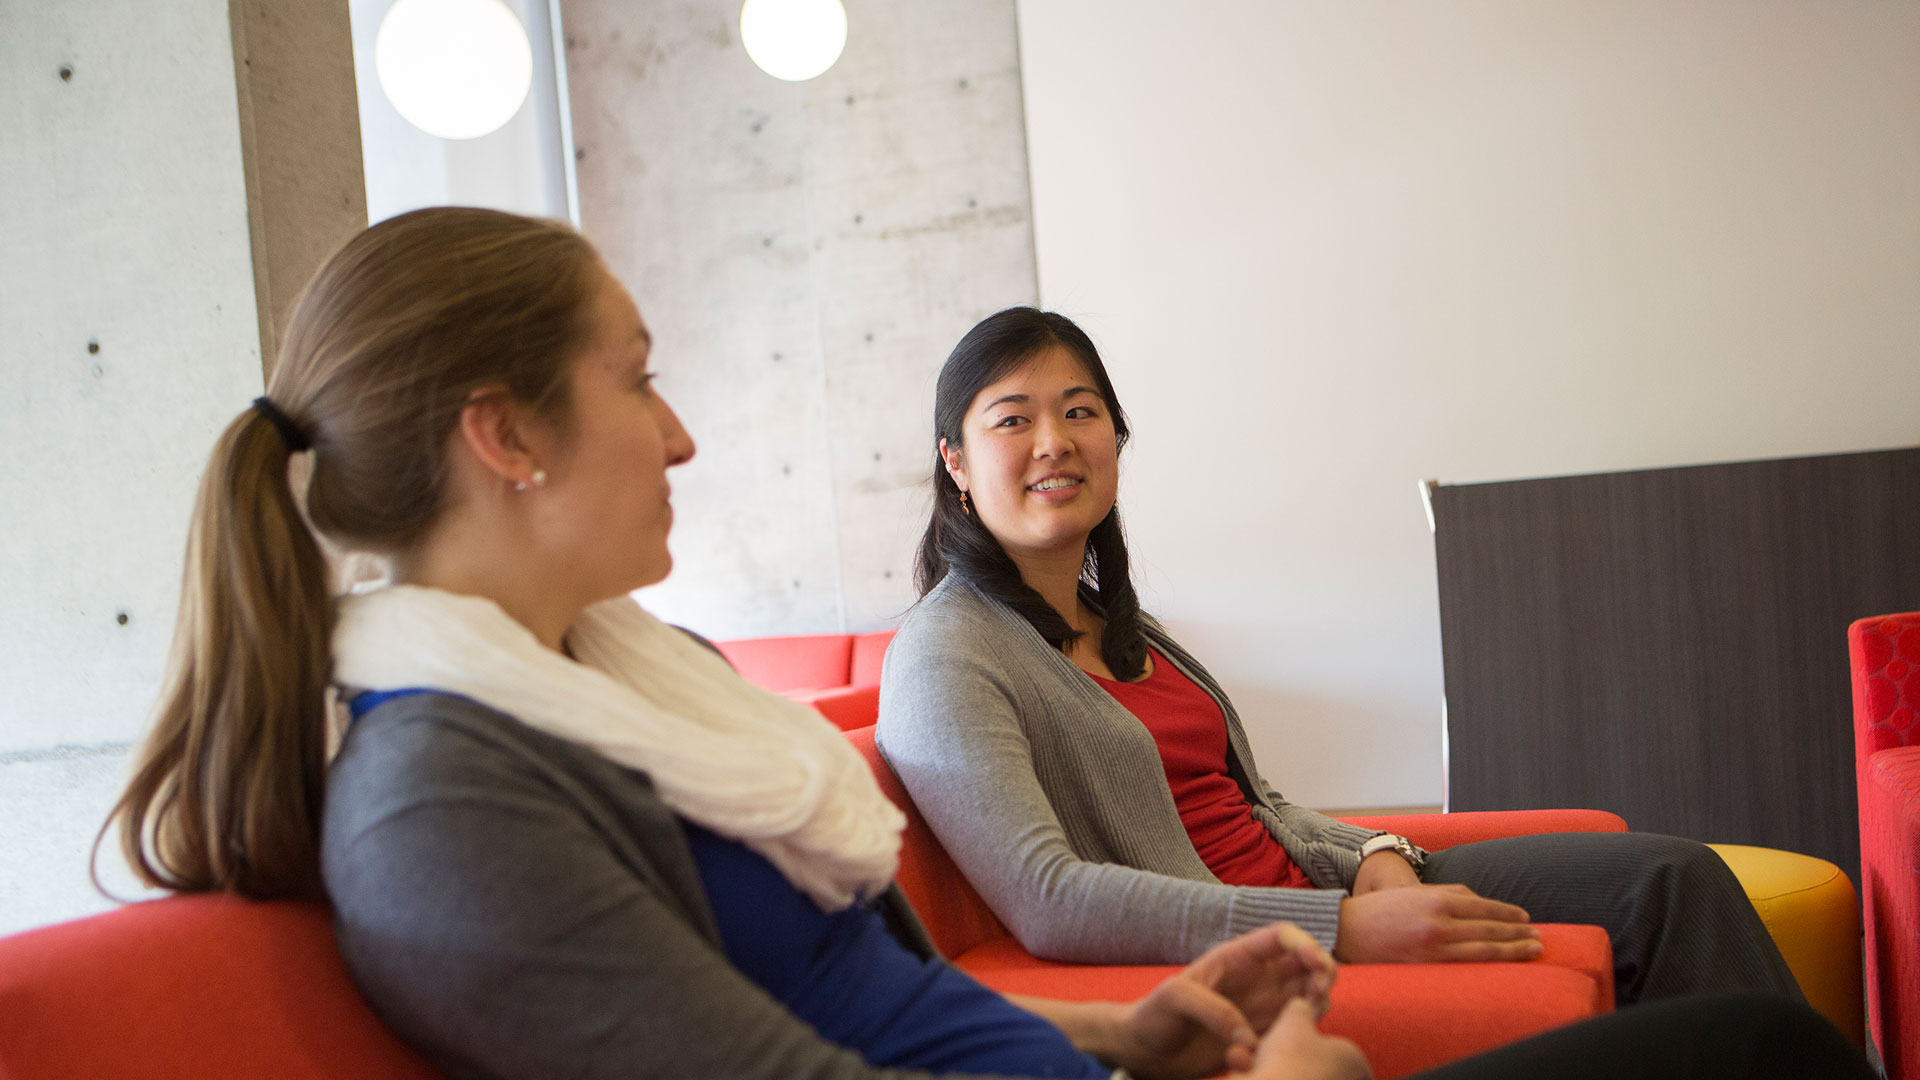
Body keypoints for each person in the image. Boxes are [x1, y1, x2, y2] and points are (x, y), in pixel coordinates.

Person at [101, 210, 1867, 1080]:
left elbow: (881, 1018)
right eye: (639, 375)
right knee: (1762, 1055)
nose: (685, 434)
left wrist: (1137, 1041)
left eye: (1084, 411)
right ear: (505, 433)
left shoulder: (633, 711)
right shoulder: (446, 807)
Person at [877, 307, 1803, 1008]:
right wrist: (1347, 925)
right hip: (1271, 950)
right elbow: (1051, 899)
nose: (1054, 441)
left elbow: (1259, 806)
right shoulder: (945, 652)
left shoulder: (1118, 621)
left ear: (1115, 441)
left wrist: (1372, 857)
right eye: (1012, 419)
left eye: (1080, 411)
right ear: (955, 461)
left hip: (1330, 889)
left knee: (1674, 881)